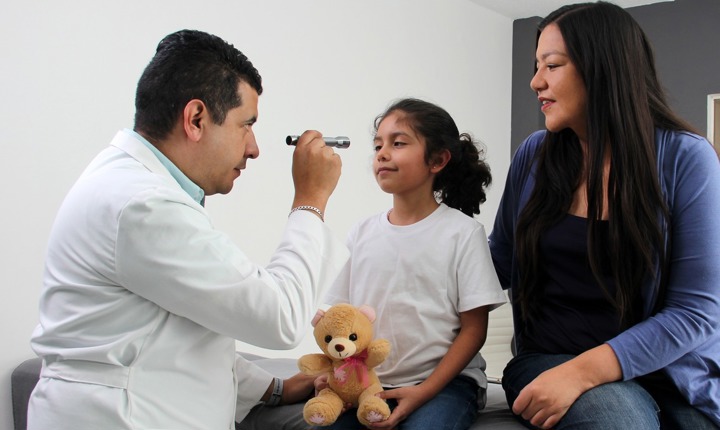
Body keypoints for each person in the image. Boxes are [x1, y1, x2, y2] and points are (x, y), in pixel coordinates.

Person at [27, 29, 349, 430]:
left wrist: (275, 389)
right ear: (196, 119)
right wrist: (310, 199)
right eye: (245, 125)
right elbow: (280, 316)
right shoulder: (143, 204)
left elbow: (181, 327)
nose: (253, 148)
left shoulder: (133, 186)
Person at [488, 2, 720, 429]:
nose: (535, 82)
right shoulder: (534, 156)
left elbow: (696, 313)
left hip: (668, 371)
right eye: (536, 65)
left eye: (552, 65)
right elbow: (495, 262)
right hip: (550, 359)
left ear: (604, 68)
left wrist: (584, 372)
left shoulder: (687, 159)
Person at [323, 98, 507, 429]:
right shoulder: (361, 233)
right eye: (378, 144)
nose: (381, 153)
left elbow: (474, 329)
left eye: (398, 143)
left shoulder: (463, 234)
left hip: (445, 385)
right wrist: (334, 373)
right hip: (370, 383)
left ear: (437, 160)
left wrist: (424, 391)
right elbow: (342, 320)